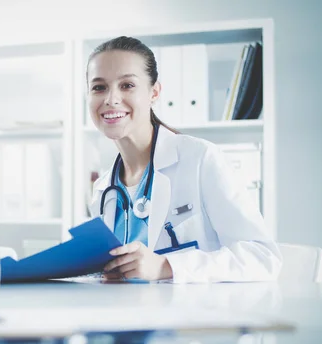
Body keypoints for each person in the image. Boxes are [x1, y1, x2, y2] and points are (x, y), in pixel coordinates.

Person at [87, 36, 281, 282]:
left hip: (195, 317)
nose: (111, 99)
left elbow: (263, 258)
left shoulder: (200, 159)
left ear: (154, 92)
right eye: (99, 87)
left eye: (127, 85)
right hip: (126, 315)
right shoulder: (103, 189)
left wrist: (167, 266)